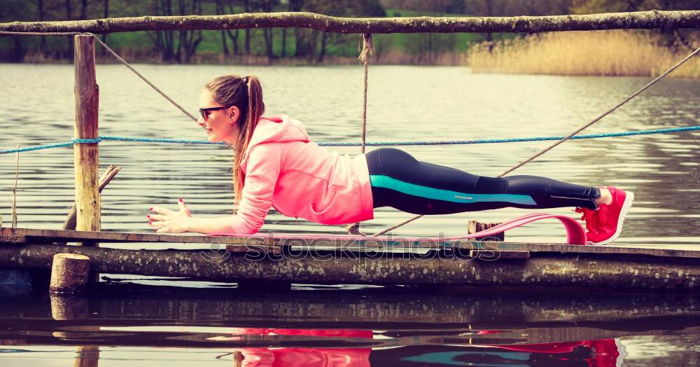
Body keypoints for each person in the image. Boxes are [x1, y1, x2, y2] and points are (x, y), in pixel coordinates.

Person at [148, 74, 634, 245]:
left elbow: (247, 224)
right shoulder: (260, 143)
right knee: (488, 192)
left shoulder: (260, 151)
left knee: (491, 192)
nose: (200, 120)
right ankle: (594, 204)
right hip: (383, 177)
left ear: (231, 113)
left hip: (388, 181)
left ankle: (601, 198)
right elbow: (252, 214)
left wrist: (187, 225)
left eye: (205, 112)